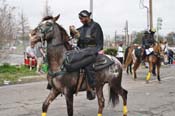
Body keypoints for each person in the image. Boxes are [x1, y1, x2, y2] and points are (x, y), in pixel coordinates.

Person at [70, 10, 104, 100]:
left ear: (87, 17)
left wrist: (79, 36)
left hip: (93, 49)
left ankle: (92, 87)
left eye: (81, 18)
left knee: (87, 63)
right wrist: (72, 31)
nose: (80, 20)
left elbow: (93, 40)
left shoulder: (96, 26)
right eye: (79, 19)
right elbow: (75, 34)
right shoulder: (82, 28)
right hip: (81, 50)